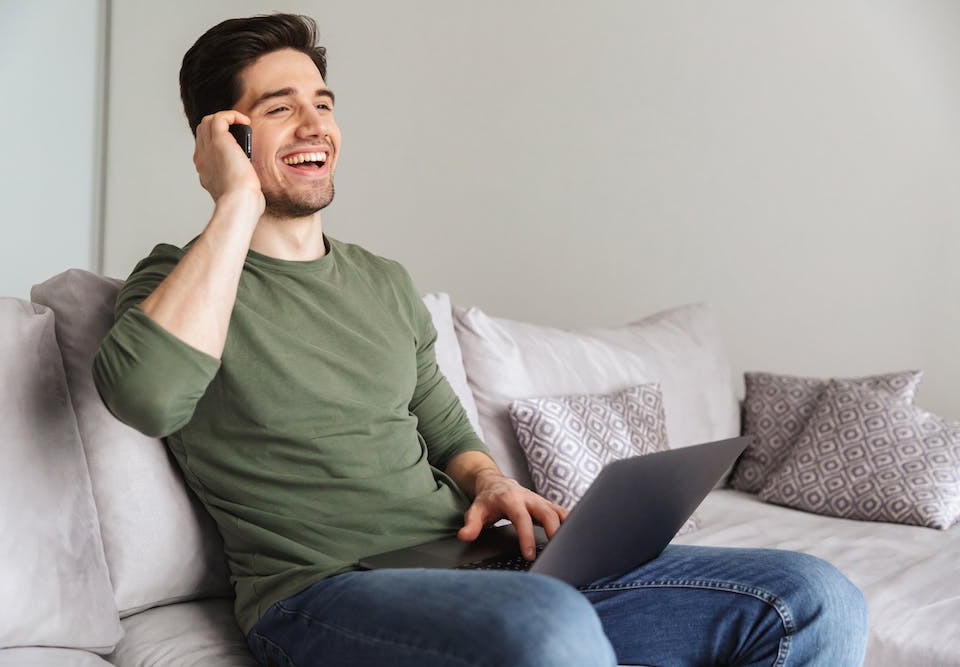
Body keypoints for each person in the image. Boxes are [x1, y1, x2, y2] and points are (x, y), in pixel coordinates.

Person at [93, 13, 868, 667]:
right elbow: (148, 396)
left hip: (474, 565)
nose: (316, 125)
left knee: (813, 594)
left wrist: (489, 484)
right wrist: (232, 202)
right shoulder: (178, 280)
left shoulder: (382, 281)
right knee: (549, 627)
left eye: (323, 103)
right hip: (322, 592)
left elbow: (447, 429)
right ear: (223, 135)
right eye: (279, 108)